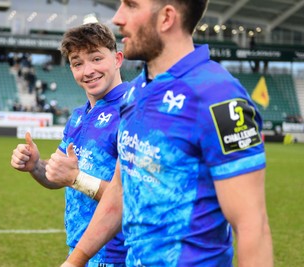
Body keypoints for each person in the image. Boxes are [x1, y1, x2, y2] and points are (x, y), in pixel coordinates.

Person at [61, 0, 273, 266]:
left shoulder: (219, 96)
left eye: (131, 6)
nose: (117, 17)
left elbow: (252, 226)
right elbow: (119, 191)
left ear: (166, 17)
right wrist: (75, 261)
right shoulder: (136, 92)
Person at [10, 22, 129, 266]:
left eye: (96, 58)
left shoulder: (132, 111)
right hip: (79, 250)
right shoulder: (78, 115)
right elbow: (58, 176)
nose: (88, 71)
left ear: (118, 59)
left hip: (116, 255)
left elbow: (137, 197)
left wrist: (76, 178)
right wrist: (35, 166)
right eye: (78, 63)